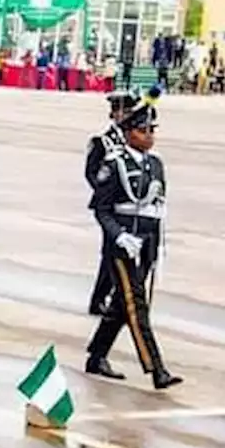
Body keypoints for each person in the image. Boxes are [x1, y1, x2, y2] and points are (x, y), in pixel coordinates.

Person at [84, 88, 182, 390]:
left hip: (148, 241)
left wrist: (159, 242)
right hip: (124, 243)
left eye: (152, 130)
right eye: (143, 130)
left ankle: (96, 356)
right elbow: (101, 209)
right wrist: (120, 236)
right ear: (128, 133)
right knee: (136, 304)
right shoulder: (114, 164)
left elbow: (157, 204)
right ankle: (156, 369)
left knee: (120, 307)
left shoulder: (156, 164)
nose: (149, 136)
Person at [83, 89, 138, 316]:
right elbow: (91, 172)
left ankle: (112, 297)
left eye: (128, 111)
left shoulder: (133, 138)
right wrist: (105, 193)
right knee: (110, 252)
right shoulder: (102, 141)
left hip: (131, 204)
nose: (125, 115)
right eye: (122, 111)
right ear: (114, 113)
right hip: (109, 206)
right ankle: (99, 299)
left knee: (121, 252)